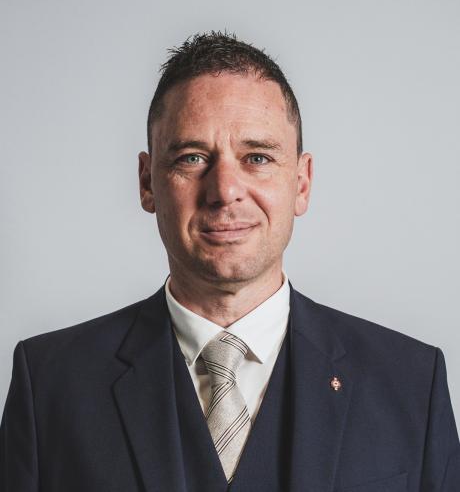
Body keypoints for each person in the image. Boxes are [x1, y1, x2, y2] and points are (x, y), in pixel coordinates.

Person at [1, 30, 459, 492]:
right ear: (147, 182)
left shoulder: (411, 383)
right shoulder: (50, 384)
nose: (224, 191)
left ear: (301, 184)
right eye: (192, 158)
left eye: (257, 158)